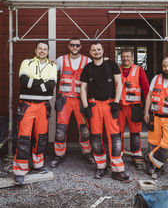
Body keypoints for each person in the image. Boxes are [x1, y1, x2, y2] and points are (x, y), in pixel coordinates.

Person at [80, 42, 130, 182]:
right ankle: (101, 167)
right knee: (96, 137)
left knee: (114, 137)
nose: (96, 52)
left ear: (102, 50)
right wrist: (85, 106)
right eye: (94, 50)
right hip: (94, 105)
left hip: (110, 104)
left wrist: (116, 102)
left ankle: (117, 169)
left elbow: (119, 83)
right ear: (90, 52)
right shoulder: (88, 68)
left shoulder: (111, 65)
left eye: (99, 49)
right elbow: (83, 88)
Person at [13, 41, 57, 185]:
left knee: (41, 137)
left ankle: (38, 165)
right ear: (35, 50)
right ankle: (20, 170)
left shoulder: (52, 66)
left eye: (45, 49)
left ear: (48, 51)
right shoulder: (27, 62)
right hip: (27, 105)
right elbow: (23, 81)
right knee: (24, 137)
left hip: (43, 106)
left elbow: (51, 86)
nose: (42, 51)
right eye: (40, 48)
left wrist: (33, 84)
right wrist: (42, 85)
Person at [50, 38, 94, 168]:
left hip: (81, 100)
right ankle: (59, 155)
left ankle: (87, 153)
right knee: (60, 130)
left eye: (77, 45)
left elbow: (98, 68)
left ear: (80, 47)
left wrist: (106, 62)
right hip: (64, 100)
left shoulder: (88, 61)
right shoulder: (61, 60)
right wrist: (47, 62)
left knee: (85, 129)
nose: (75, 47)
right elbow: (48, 69)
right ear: (68, 46)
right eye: (72, 45)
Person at [119, 48, 149, 170]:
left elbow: (146, 89)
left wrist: (147, 108)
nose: (125, 59)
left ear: (132, 57)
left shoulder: (139, 70)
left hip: (135, 107)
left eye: (128, 56)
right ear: (121, 57)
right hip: (120, 107)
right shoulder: (116, 69)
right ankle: (118, 155)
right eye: (123, 57)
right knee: (117, 132)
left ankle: (137, 156)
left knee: (135, 133)